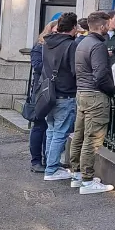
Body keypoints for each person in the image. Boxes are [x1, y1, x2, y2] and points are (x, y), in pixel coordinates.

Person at [69, 12, 115, 194]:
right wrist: (111, 91)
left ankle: (77, 174)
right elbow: (101, 75)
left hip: (82, 92)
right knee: (93, 138)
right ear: (102, 26)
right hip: (96, 95)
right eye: (107, 24)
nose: (109, 27)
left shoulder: (83, 43)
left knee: (79, 135)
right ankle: (87, 180)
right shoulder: (98, 46)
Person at [41, 13, 80, 181]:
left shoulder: (47, 42)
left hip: (48, 93)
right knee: (60, 132)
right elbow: (74, 71)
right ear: (73, 28)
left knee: (51, 130)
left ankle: (50, 164)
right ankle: (52, 169)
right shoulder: (71, 45)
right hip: (65, 93)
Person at [28, 20, 57, 173]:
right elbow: (37, 65)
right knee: (39, 125)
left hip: (53, 88)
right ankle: (36, 161)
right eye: (55, 31)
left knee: (50, 126)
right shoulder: (39, 47)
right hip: (41, 89)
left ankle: (48, 158)